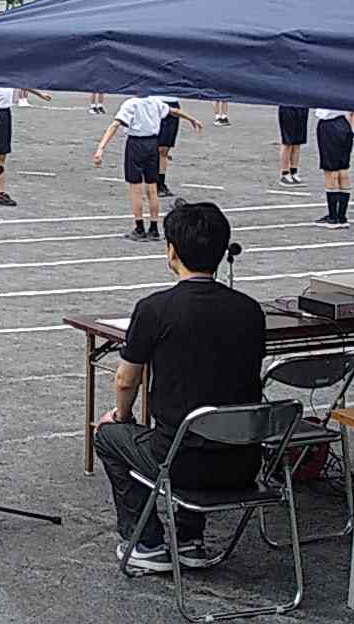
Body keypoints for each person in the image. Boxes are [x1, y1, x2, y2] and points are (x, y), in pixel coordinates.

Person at [95, 201, 262, 574]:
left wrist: (120, 418)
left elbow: (126, 379)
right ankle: (189, 539)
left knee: (109, 436)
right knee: (204, 414)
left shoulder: (155, 308)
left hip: (181, 462)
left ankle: (147, 543)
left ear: (171, 251)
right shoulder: (251, 310)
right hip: (245, 460)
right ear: (223, 252)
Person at [94, 95, 171, 242]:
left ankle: (139, 227)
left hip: (136, 144)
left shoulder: (131, 103)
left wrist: (101, 147)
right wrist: (190, 118)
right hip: (152, 142)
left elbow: (115, 124)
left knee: (135, 188)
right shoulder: (156, 101)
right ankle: (154, 228)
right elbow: (172, 111)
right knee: (152, 188)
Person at [153, 98, 205, 199]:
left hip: (171, 104)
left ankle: (160, 183)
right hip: (155, 102)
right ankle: (154, 182)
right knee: (158, 148)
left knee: (164, 149)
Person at [313, 106, 354, 229]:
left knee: (331, 170)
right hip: (344, 124)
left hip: (329, 125)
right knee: (343, 168)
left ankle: (333, 217)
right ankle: (342, 216)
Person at [276, 104, 309, 187]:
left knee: (297, 143)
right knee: (288, 142)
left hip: (301, 107)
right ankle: (285, 173)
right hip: (288, 107)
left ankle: (294, 172)